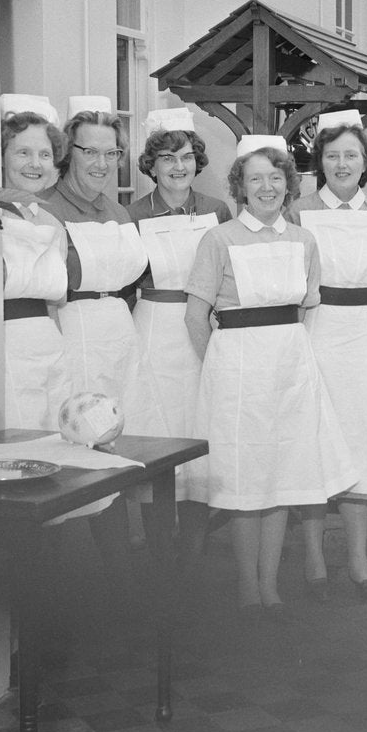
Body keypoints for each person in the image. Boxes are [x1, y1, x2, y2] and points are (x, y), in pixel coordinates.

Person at [184, 137, 356, 613]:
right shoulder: (218, 240)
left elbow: (308, 309)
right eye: (255, 178)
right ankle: (247, 586)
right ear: (240, 186)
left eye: (275, 178)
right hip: (237, 371)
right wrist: (219, 369)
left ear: (289, 185)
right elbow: (196, 317)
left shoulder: (303, 240)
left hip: (288, 368)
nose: (266, 187)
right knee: (246, 478)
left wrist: (291, 359)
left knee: (282, 475)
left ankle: (270, 585)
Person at [287, 110, 367, 604]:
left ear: (366, 163)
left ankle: (359, 560)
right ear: (320, 161)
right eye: (333, 155)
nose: (341, 164)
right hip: (314, 332)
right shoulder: (297, 211)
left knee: (361, 446)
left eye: (351, 156)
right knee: (317, 445)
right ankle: (315, 560)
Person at [40, 97, 167, 561]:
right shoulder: (46, 207)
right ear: (67, 152)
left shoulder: (117, 211)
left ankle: (120, 569)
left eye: (110, 153)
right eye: (89, 151)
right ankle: (83, 570)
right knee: (84, 449)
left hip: (120, 332)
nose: (100, 163)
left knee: (122, 447)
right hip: (74, 333)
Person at [127, 108, 230, 554]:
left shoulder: (216, 211)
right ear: (151, 164)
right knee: (158, 430)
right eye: (167, 157)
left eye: (186, 156)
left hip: (203, 329)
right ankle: (157, 542)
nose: (178, 167)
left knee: (199, 427)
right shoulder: (131, 215)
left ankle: (194, 542)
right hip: (153, 331)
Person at [0, 95, 72, 432]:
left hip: (49, 345)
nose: (35, 163)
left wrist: (59, 353)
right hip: (4, 347)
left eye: (44, 155)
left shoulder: (53, 224)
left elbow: (54, 306)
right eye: (23, 152)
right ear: (1, 157)